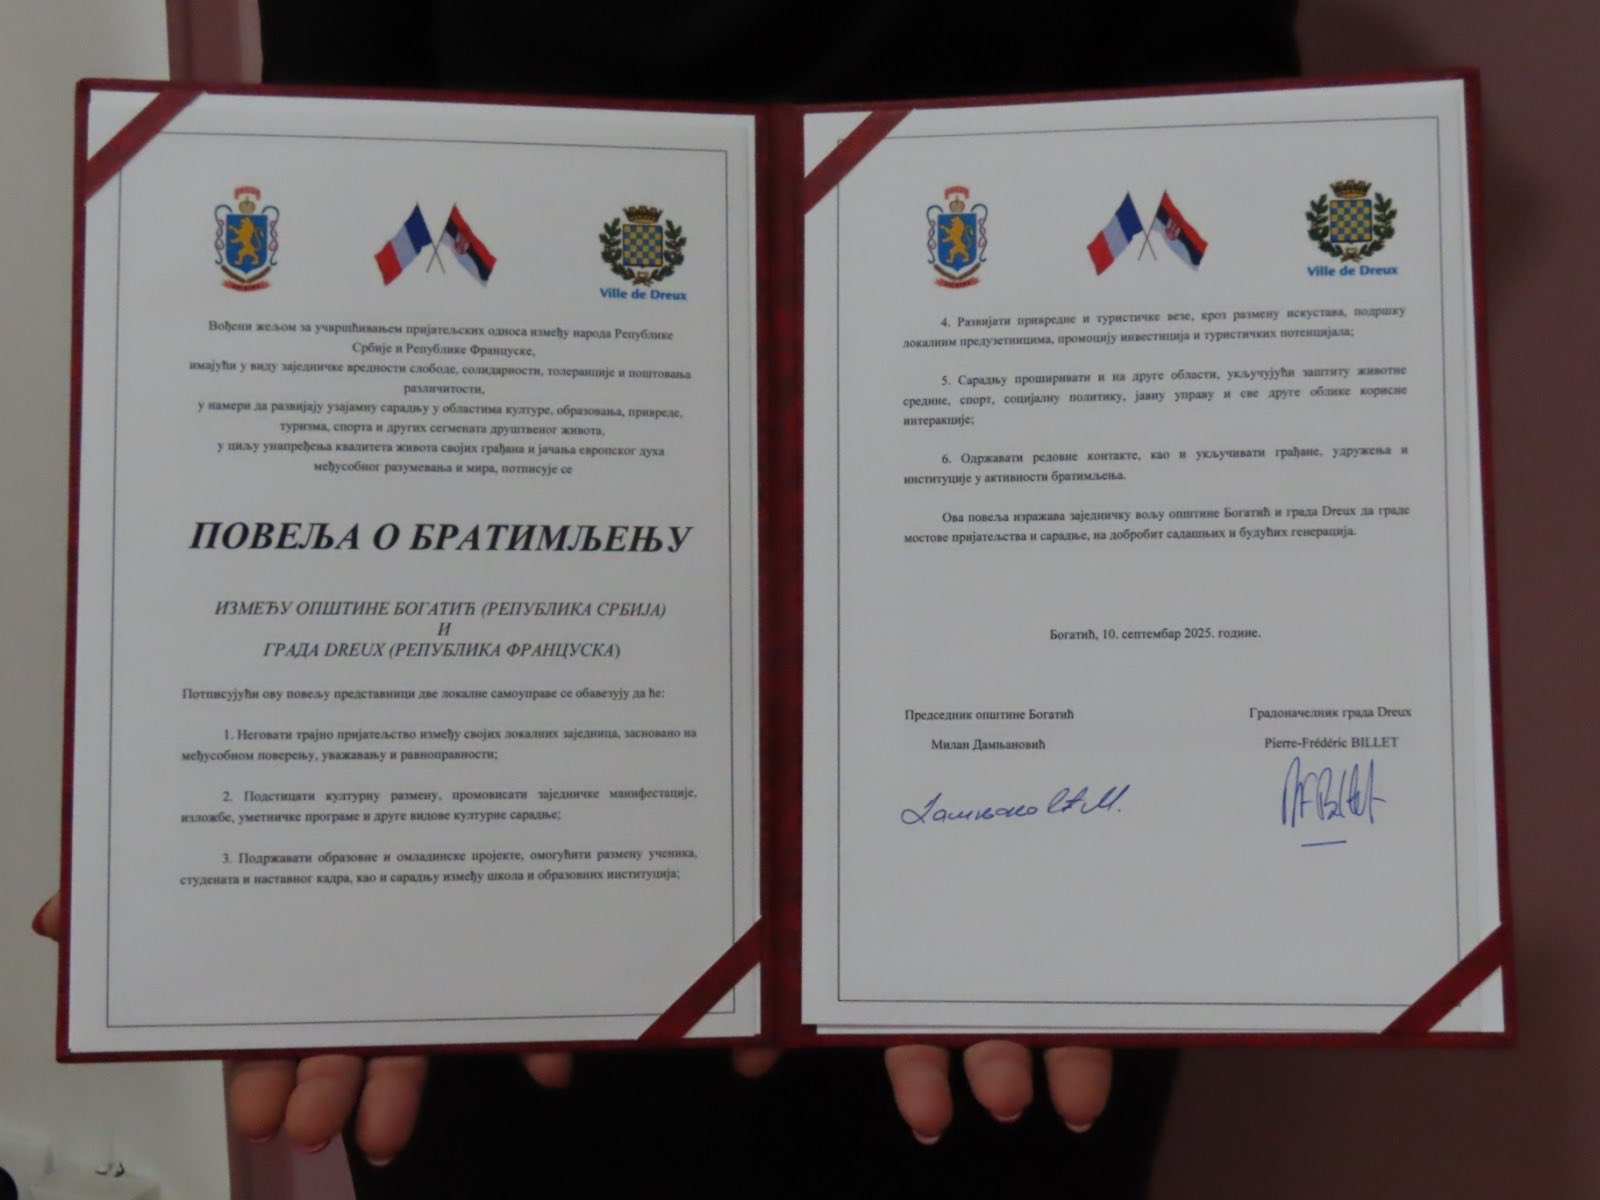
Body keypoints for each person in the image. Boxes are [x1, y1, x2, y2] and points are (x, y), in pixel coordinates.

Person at [38, 2, 1299, 1192]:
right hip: (501, 810)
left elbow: (1209, 209)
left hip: (1011, 806)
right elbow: (339, 189)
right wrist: (258, 802)